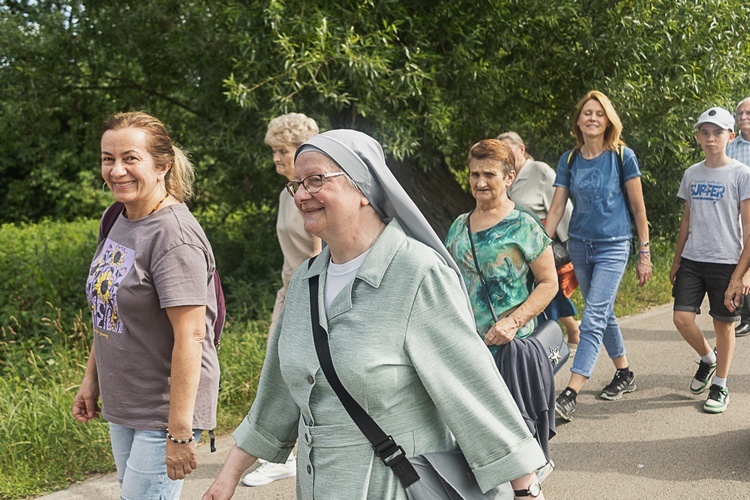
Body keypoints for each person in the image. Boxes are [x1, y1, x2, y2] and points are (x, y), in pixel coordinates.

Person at [203, 130, 547, 499]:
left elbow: (470, 388)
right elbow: (279, 395)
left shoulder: (416, 273)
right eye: (297, 184)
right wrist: (228, 477)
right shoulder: (306, 281)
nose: (301, 195)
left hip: (395, 486)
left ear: (363, 189)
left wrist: (525, 489)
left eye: (316, 180)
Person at [73, 112, 220, 499]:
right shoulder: (118, 217)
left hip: (163, 409)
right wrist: (93, 379)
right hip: (125, 400)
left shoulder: (174, 238)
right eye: (108, 158)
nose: (117, 170)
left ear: (162, 165)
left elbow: (191, 336)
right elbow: (109, 308)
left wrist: (179, 431)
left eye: (130, 158)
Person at [443, 138, 558, 467]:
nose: (480, 182)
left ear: (509, 177)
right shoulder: (458, 226)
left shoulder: (524, 226)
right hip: (470, 349)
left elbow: (549, 283)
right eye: (474, 174)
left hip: (511, 349)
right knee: (476, 442)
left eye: (489, 174)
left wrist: (512, 323)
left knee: (517, 440)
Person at [544, 91, 651, 421]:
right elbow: (557, 207)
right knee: (603, 314)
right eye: (587, 113)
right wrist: (538, 247)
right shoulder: (570, 159)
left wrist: (644, 252)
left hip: (614, 244)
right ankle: (625, 372)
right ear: (578, 121)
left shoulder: (622, 156)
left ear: (608, 121)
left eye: (599, 113)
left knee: (592, 317)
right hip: (579, 245)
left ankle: (570, 392)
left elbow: (637, 207)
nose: (592, 117)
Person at [241, 113, 322, 488]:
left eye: (283, 150)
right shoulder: (285, 192)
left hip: (312, 293)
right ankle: (284, 453)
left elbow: (321, 250)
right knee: (277, 369)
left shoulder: (313, 192)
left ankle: (287, 454)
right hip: (287, 291)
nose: (276, 158)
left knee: (300, 371)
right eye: (273, 151)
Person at [671, 106, 750, 414]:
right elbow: (687, 220)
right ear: (698, 137)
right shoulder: (692, 173)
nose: (710, 138)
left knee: (724, 325)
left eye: (717, 132)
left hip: (727, 261)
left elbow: (748, 228)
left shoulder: (742, 174)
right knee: (681, 318)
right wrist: (677, 260)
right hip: (693, 258)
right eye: (705, 133)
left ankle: (720, 383)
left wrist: (742, 275)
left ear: (730, 136)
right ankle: (708, 358)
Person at [499, 131, 580, 347]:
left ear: (521, 149)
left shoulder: (539, 171)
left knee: (544, 291)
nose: (504, 155)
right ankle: (569, 331)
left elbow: (561, 206)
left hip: (542, 243)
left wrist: (567, 242)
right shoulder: (505, 176)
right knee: (538, 294)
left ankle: (550, 343)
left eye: (508, 149)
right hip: (515, 248)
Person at [725, 98, 750, 337]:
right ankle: (746, 316)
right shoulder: (732, 147)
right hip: (741, 209)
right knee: (744, 258)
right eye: (739, 112)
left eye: (748, 112)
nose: (743, 116)